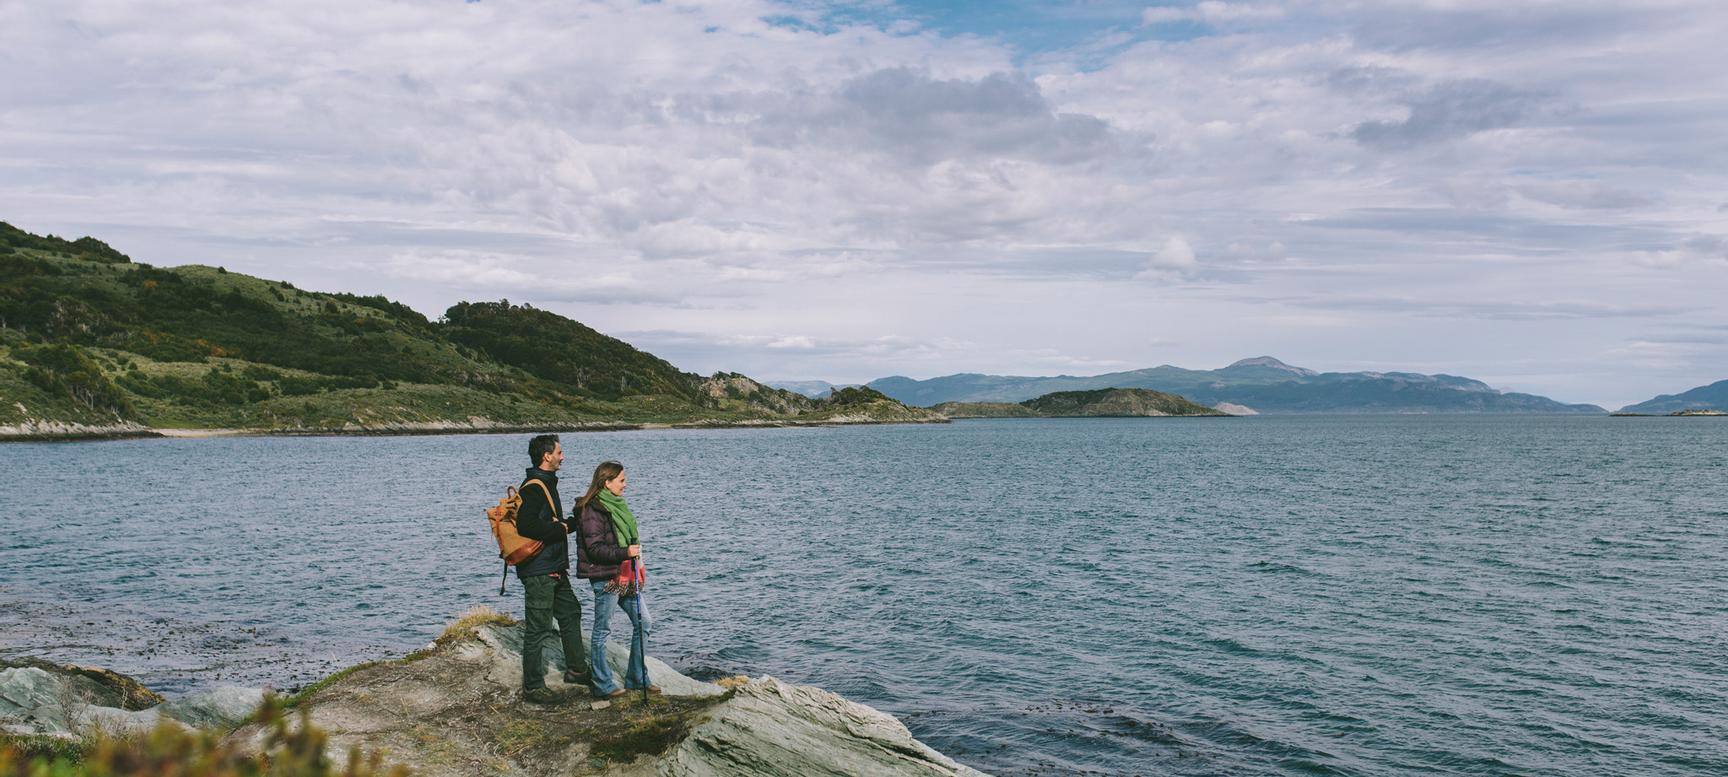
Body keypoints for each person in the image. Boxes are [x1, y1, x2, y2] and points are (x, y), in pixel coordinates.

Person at [515, 434, 588, 704]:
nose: (563, 456)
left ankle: (577, 670)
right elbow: (526, 525)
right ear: (547, 456)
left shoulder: (545, 483)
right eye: (559, 451)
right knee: (538, 627)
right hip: (539, 570)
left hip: (552, 567)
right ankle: (533, 687)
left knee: (571, 612)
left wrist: (569, 524)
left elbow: (548, 524)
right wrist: (562, 529)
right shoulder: (533, 487)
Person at [575, 460, 656, 698]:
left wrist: (638, 563)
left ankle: (637, 678)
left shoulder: (617, 505)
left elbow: (630, 540)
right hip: (606, 577)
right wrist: (626, 553)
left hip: (626, 575)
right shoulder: (592, 510)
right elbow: (595, 549)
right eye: (621, 480)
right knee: (602, 630)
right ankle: (602, 683)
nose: (626, 484)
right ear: (607, 482)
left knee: (645, 623)